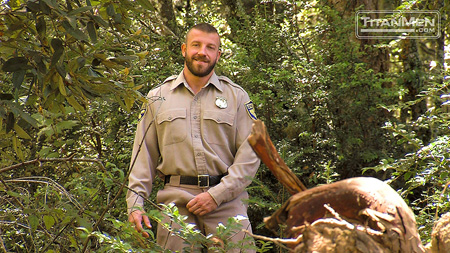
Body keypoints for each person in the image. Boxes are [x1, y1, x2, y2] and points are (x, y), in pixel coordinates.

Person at [126, 23, 260, 252]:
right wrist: (135, 204)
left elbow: (251, 154)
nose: (202, 52)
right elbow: (143, 155)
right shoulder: (157, 97)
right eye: (196, 45)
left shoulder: (236, 96)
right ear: (184, 49)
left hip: (228, 203)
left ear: (218, 54)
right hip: (175, 206)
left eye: (210, 47)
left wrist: (217, 195)